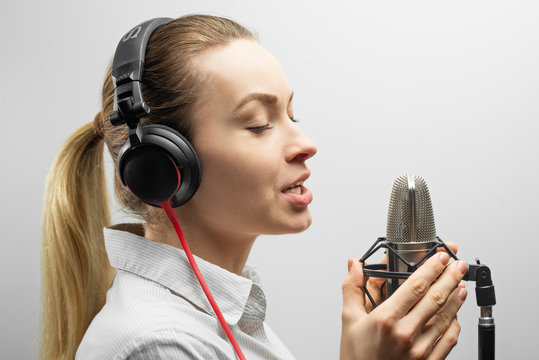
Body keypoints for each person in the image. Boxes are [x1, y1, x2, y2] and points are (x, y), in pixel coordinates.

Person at [41, 14, 467, 360]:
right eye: (259, 124)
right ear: (165, 163)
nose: (305, 144)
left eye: (291, 116)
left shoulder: (228, 319)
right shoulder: (160, 344)